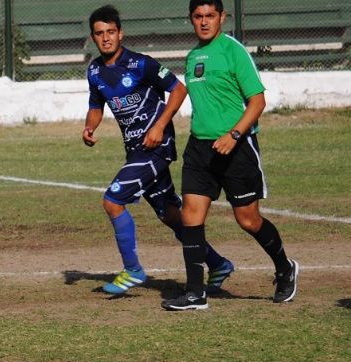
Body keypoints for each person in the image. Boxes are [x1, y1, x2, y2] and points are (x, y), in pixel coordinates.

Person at [83, 5, 233, 296]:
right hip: (135, 150)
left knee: (112, 201)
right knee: (171, 215)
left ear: (120, 33)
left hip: (156, 147)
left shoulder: (142, 64)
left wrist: (159, 126)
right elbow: (95, 107)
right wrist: (90, 127)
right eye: (100, 34)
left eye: (111, 32)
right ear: (93, 37)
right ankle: (218, 264)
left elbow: (179, 89)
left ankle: (133, 269)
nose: (106, 38)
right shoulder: (94, 71)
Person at [161, 0, 299, 311]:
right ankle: (196, 293)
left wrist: (234, 134)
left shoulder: (233, 50)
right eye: (198, 16)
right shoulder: (193, 56)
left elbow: (257, 101)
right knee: (190, 217)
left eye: (211, 15)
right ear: (191, 20)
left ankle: (285, 267)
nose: (204, 21)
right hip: (200, 148)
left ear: (223, 17)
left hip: (237, 147)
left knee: (247, 219)